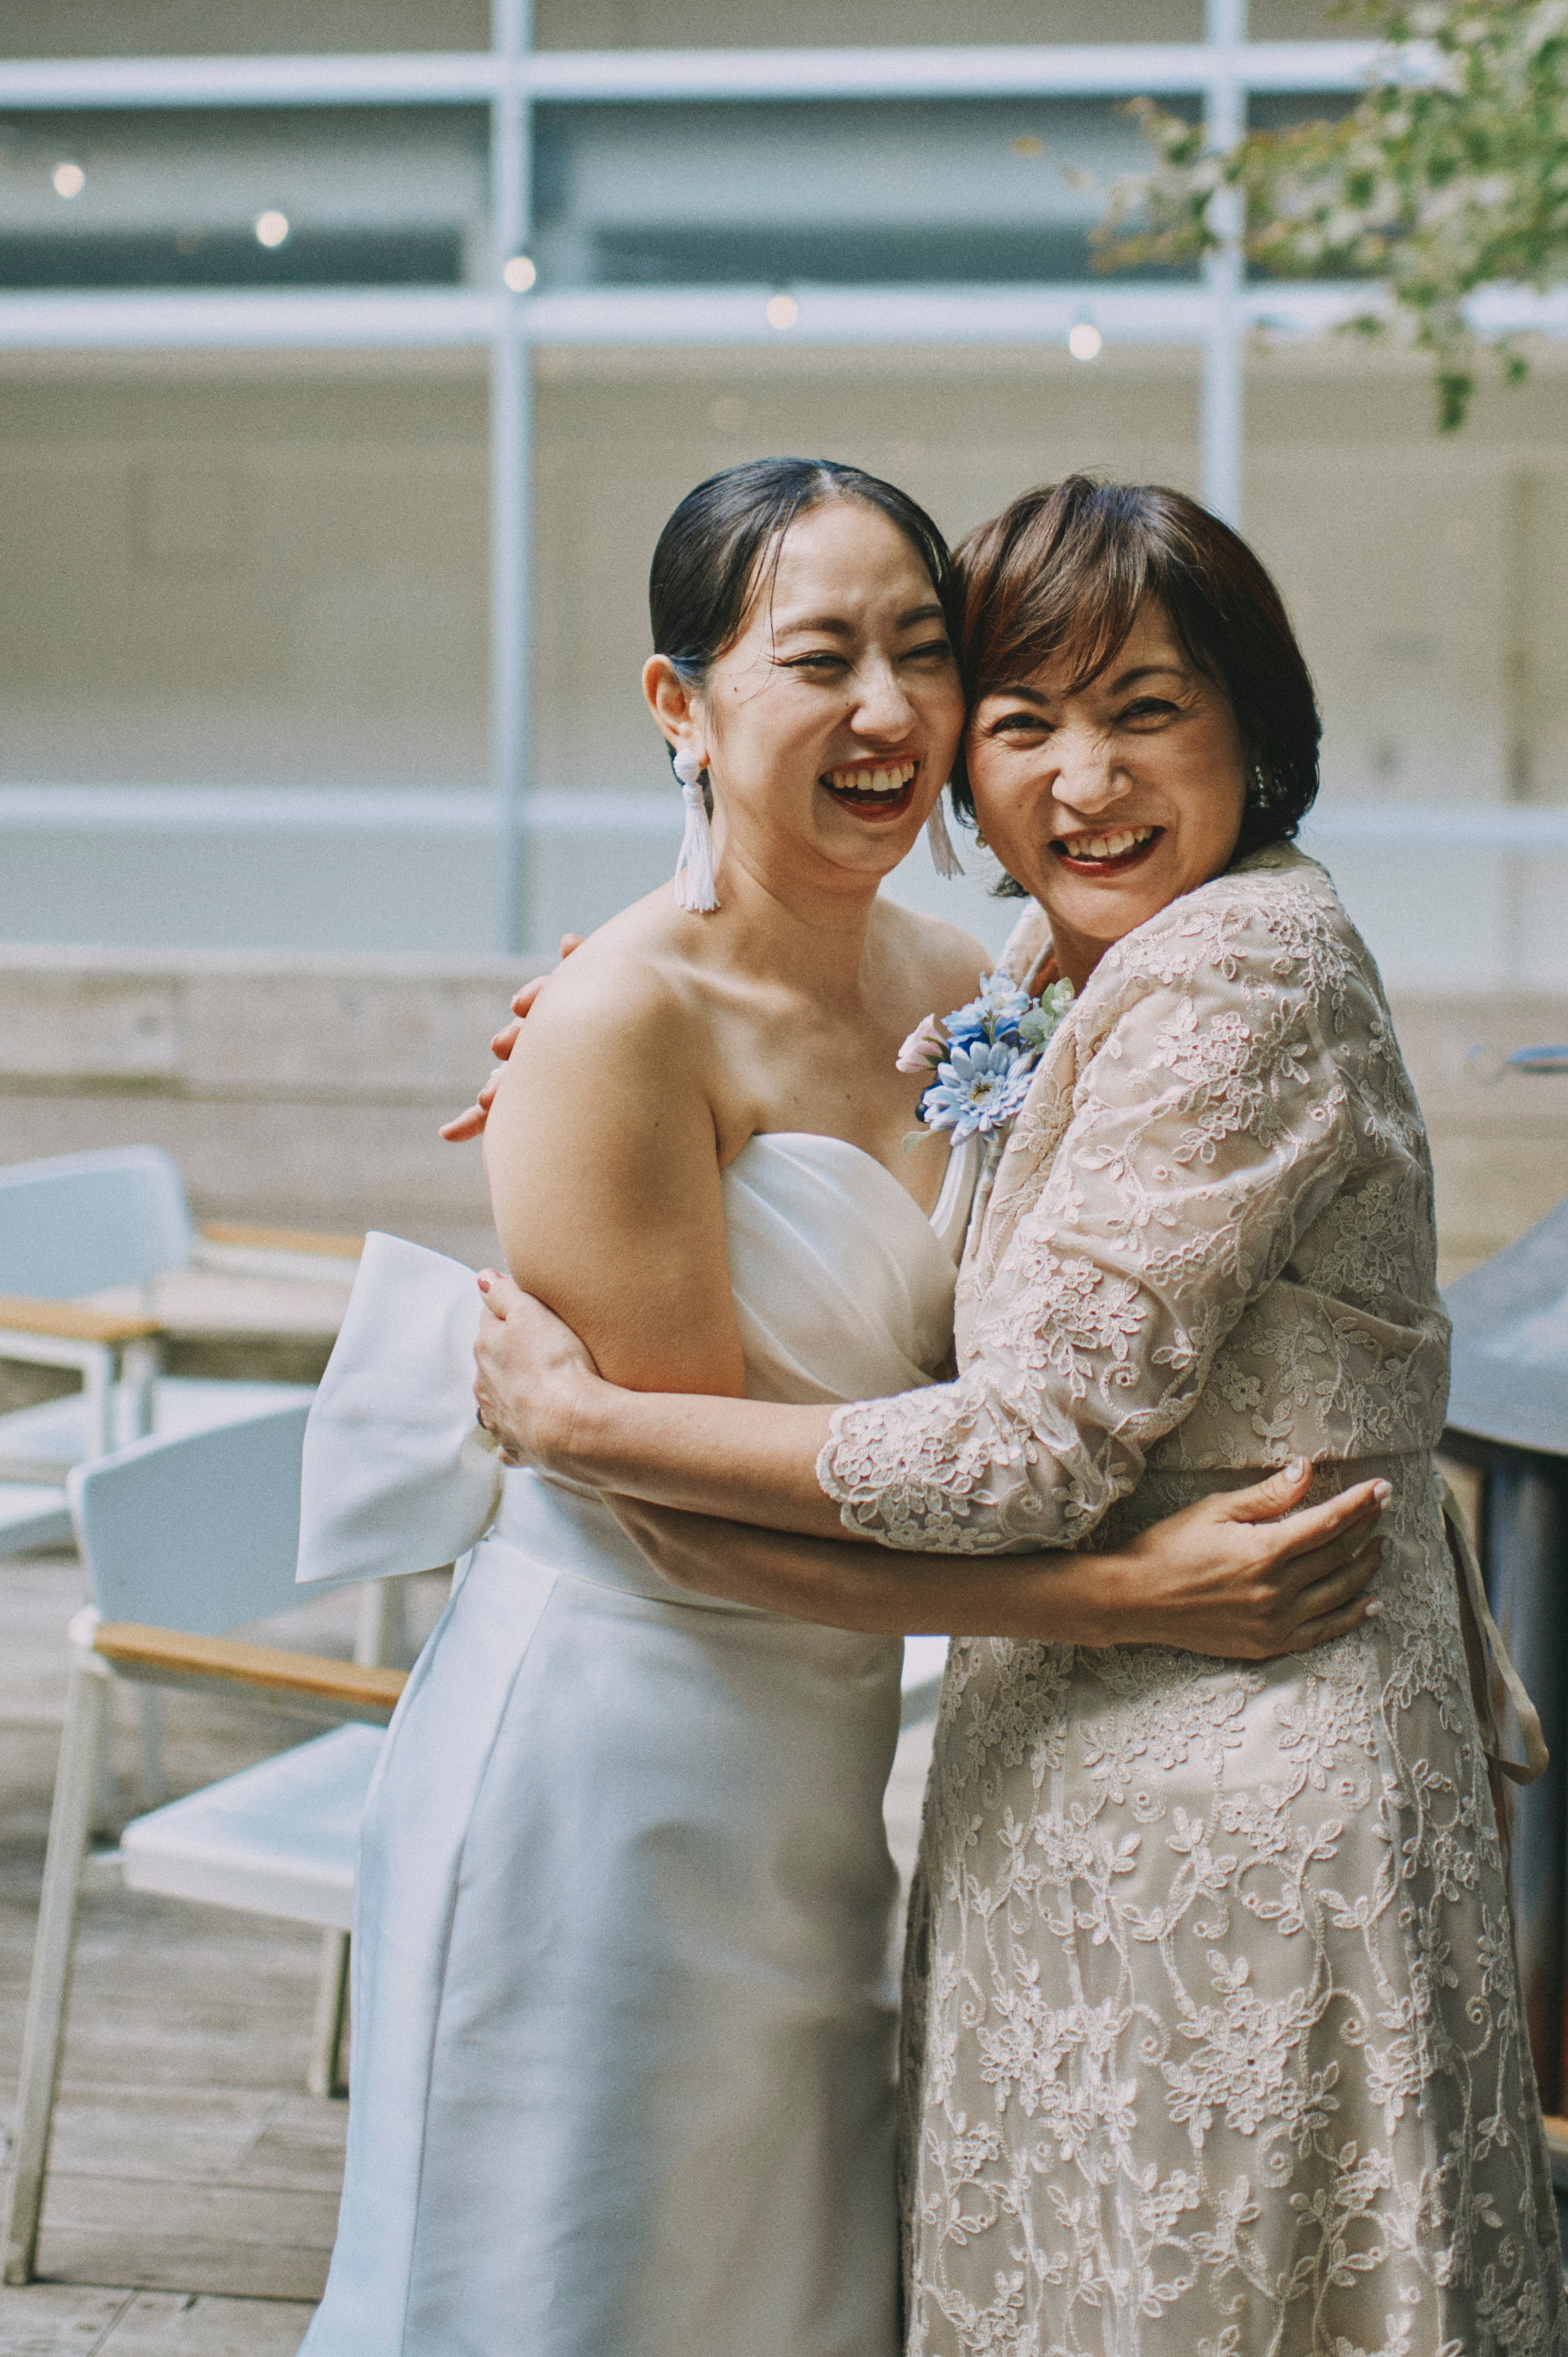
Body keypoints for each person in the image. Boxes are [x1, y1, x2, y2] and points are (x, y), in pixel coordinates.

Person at [302, 458, 1390, 2357]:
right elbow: (676, 1523)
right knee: (579, 2276)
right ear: (683, 708)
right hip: (620, 1757)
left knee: (780, 2287)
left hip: (822, 1768)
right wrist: (1127, 1601)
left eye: (925, 653)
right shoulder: (619, 1023)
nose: (891, 711)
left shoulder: (983, 978)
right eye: (821, 660)